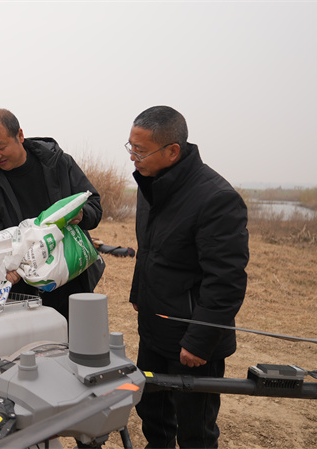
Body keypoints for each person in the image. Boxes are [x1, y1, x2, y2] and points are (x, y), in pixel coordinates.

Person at [127, 106, 249, 448]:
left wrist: (199, 341)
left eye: (140, 151)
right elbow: (149, 250)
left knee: (195, 429)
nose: (133, 157)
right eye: (130, 147)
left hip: (193, 340)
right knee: (152, 412)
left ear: (172, 151)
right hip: (154, 326)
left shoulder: (216, 198)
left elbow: (226, 280)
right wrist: (139, 293)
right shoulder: (150, 185)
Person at [0, 108, 105, 320]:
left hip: (73, 282)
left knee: (79, 339)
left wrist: (81, 215)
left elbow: (94, 206)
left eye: (1, 147)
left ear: (20, 135)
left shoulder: (59, 163)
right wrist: (6, 266)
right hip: (24, 296)